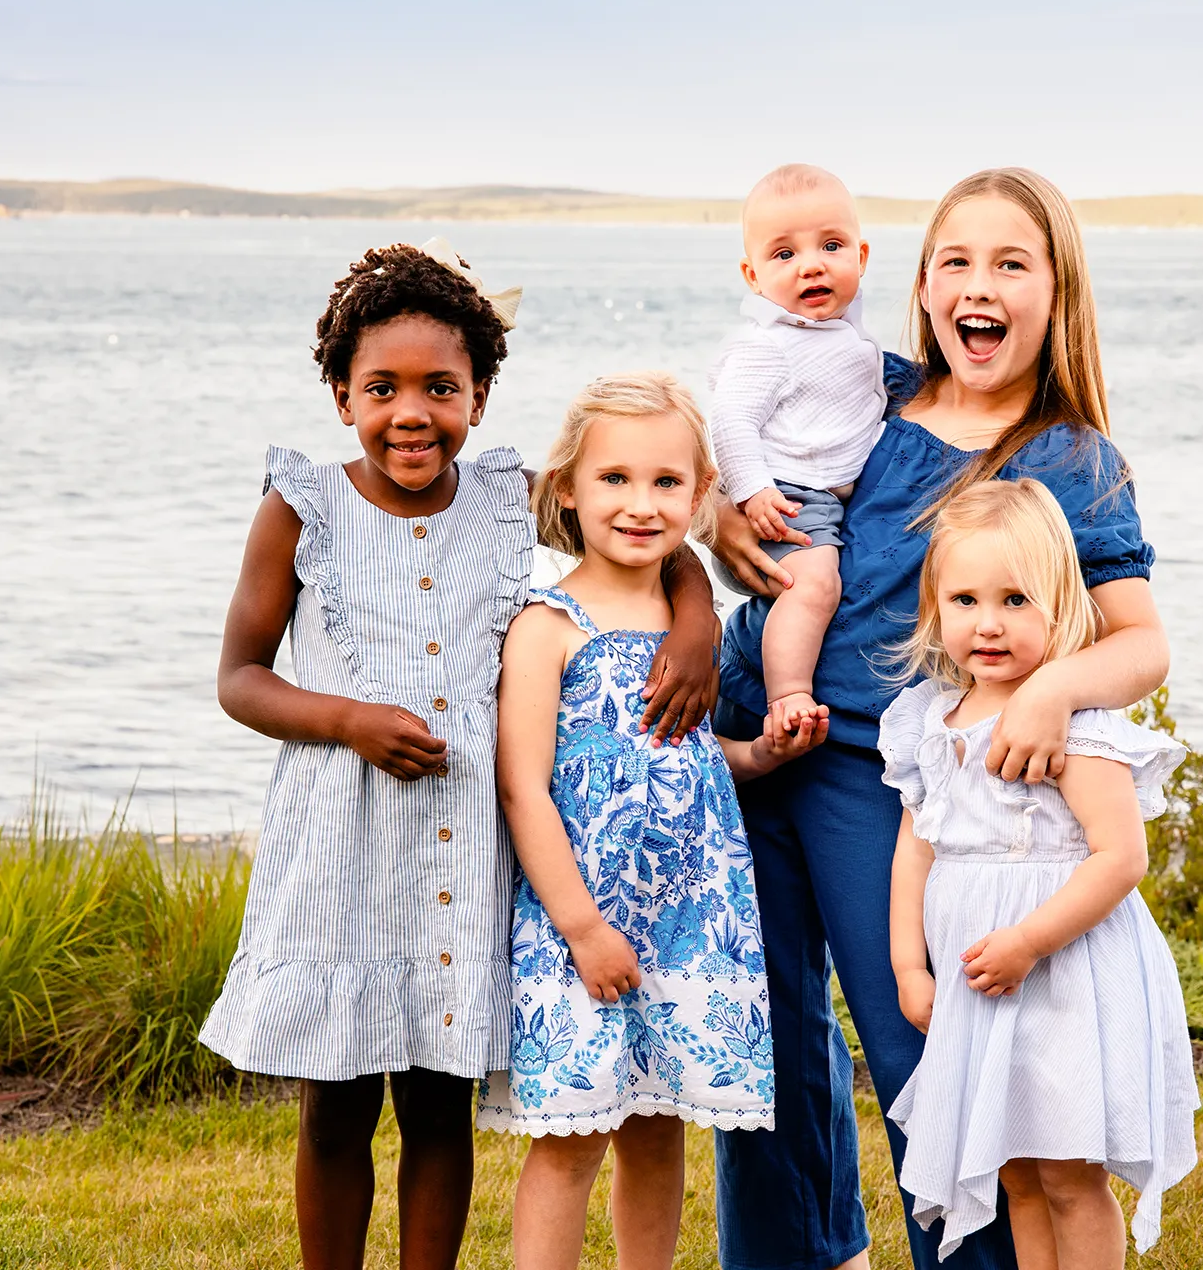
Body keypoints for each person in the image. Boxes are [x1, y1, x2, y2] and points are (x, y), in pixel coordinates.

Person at [198, 244, 721, 1270]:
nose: (411, 413)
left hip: (457, 857)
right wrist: (347, 717)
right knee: (337, 1111)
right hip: (342, 852)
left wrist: (696, 618)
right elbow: (240, 677)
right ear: (342, 394)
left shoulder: (499, 499)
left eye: (442, 388)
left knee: (439, 1108)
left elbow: (637, 528)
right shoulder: (302, 508)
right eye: (381, 387)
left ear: (479, 397)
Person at [709, 168, 1172, 1270]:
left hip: (897, 774)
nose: (980, 285)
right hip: (762, 725)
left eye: (1012, 263)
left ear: (1057, 293)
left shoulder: (1071, 457)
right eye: (956, 261)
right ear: (918, 284)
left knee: (934, 1053)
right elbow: (735, 462)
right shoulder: (872, 392)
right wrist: (723, 522)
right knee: (769, 1047)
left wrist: (1055, 688)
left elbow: (1143, 644)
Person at [479, 372, 827, 1270]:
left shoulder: (686, 615)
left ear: (703, 494)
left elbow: (699, 756)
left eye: (668, 483)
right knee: (570, 1140)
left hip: (690, 921)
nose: (642, 504)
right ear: (568, 489)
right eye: (615, 480)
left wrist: (766, 752)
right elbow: (524, 790)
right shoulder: (546, 626)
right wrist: (583, 929)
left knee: (661, 1124)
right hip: (582, 922)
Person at [881, 479, 1195, 1265]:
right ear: (935, 608)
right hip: (978, 979)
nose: (988, 624)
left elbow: (1121, 857)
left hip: (1061, 973)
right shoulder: (929, 719)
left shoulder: (1073, 724)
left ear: (1061, 607)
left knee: (1066, 1172)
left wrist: (1025, 941)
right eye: (965, 600)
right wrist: (906, 966)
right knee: (1017, 1171)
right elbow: (916, 847)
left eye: (1016, 600)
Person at [708, 163, 887, 735]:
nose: (811, 264)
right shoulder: (769, 346)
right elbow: (730, 418)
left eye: (830, 246)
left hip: (817, 495)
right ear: (753, 275)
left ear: (860, 258)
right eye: (784, 255)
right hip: (785, 495)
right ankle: (787, 693)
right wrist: (751, 490)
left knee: (816, 582)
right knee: (815, 585)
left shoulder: (847, 336)